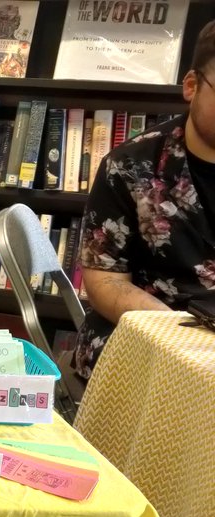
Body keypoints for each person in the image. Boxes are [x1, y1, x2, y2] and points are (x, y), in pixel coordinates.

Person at [74, 20, 215, 381]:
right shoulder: (129, 165)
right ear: (191, 86)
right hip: (149, 329)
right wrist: (175, 332)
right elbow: (104, 281)